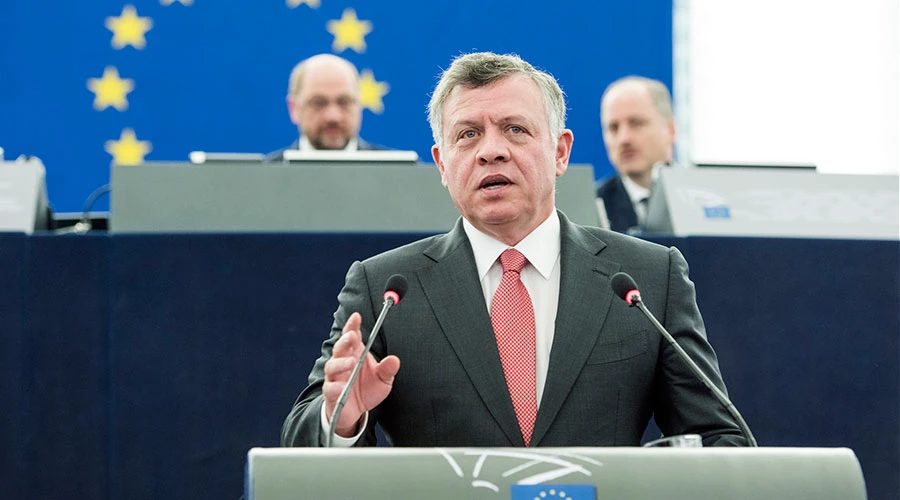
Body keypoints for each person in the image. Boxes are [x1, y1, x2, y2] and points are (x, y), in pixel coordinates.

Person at [281, 52, 748, 448]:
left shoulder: (647, 278)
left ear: (560, 152)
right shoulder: (384, 289)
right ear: (442, 164)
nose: (491, 151)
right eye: (467, 134)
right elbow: (298, 442)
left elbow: (720, 438)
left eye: (515, 129)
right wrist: (341, 419)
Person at [266, 54, 386, 161]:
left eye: (344, 102)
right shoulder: (265, 175)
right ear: (294, 109)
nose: (333, 117)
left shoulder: (393, 173)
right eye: (318, 103)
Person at [596, 76, 676, 234]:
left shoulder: (705, 198)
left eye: (637, 124)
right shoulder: (593, 206)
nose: (624, 139)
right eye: (613, 128)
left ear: (671, 130)